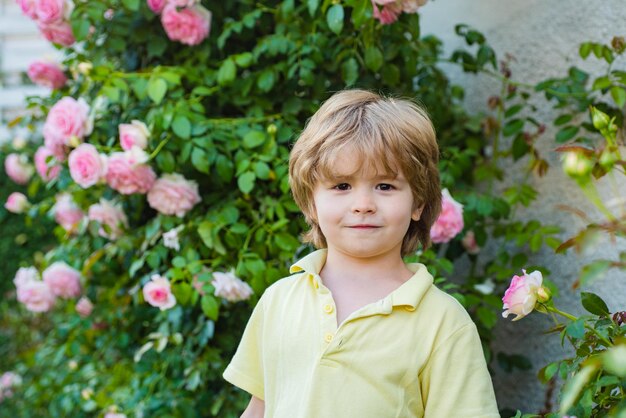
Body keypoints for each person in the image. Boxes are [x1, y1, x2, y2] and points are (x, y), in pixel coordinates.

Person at [223, 89, 500, 418]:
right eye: (341, 186)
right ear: (311, 202)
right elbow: (260, 408)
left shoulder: (443, 322)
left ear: (418, 203)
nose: (363, 205)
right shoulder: (279, 300)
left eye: (385, 186)